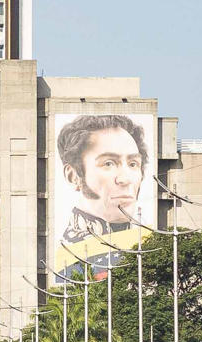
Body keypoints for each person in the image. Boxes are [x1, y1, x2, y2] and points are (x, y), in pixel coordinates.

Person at [53, 113, 151, 278]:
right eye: (108, 163)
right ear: (73, 176)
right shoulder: (70, 254)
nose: (125, 179)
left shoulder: (150, 246)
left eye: (133, 164)